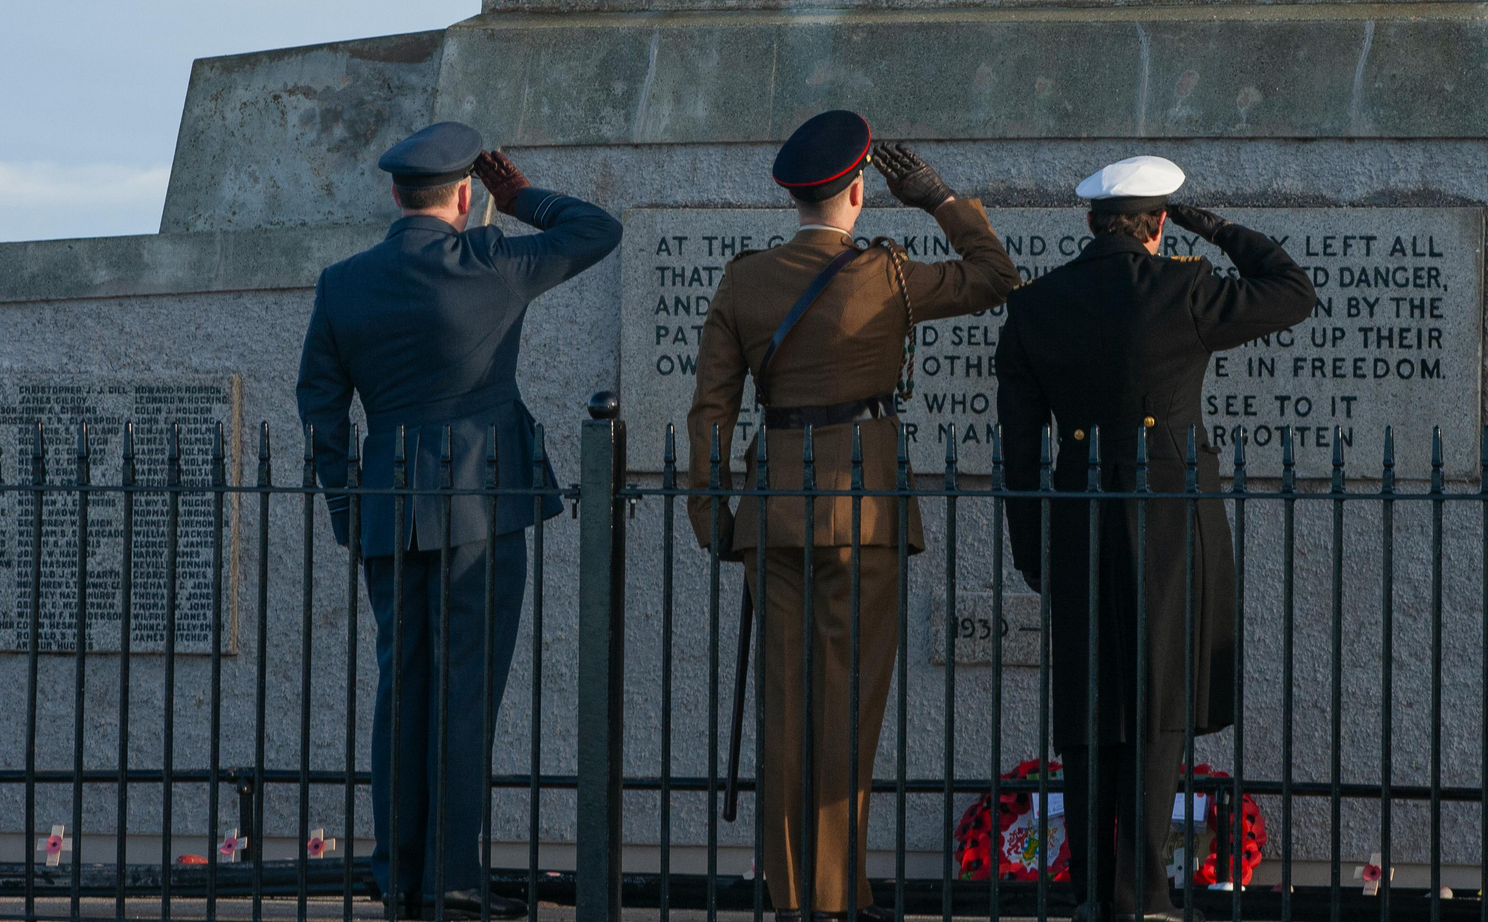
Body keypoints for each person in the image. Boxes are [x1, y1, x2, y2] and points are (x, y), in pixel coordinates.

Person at [685, 110, 1018, 922]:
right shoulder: (887, 276)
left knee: (787, 711)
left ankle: (803, 896)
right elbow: (996, 274)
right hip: (862, 513)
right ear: (860, 193)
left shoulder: (743, 279)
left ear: (797, 200)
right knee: (850, 708)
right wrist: (936, 196)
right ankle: (837, 899)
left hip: (773, 515)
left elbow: (710, 413)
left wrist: (713, 514)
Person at [296, 121, 622, 919]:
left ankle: (399, 877)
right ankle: (450, 878)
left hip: (388, 509)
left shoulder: (343, 283)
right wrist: (522, 198)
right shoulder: (493, 259)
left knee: (400, 691)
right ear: (466, 194)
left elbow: (321, 409)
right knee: (464, 693)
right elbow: (597, 230)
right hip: (482, 499)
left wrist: (350, 507)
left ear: (394, 193)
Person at [997, 156, 1314, 922]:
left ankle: (1092, 892)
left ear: (1089, 224)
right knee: (1156, 700)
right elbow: (1294, 291)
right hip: (1170, 515)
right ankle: (1143, 892)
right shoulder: (1185, 288)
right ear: (1160, 224)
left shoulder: (1036, 304)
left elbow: (1017, 445)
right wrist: (1222, 228)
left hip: (1076, 513)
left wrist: (1033, 548)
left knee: (1087, 707)